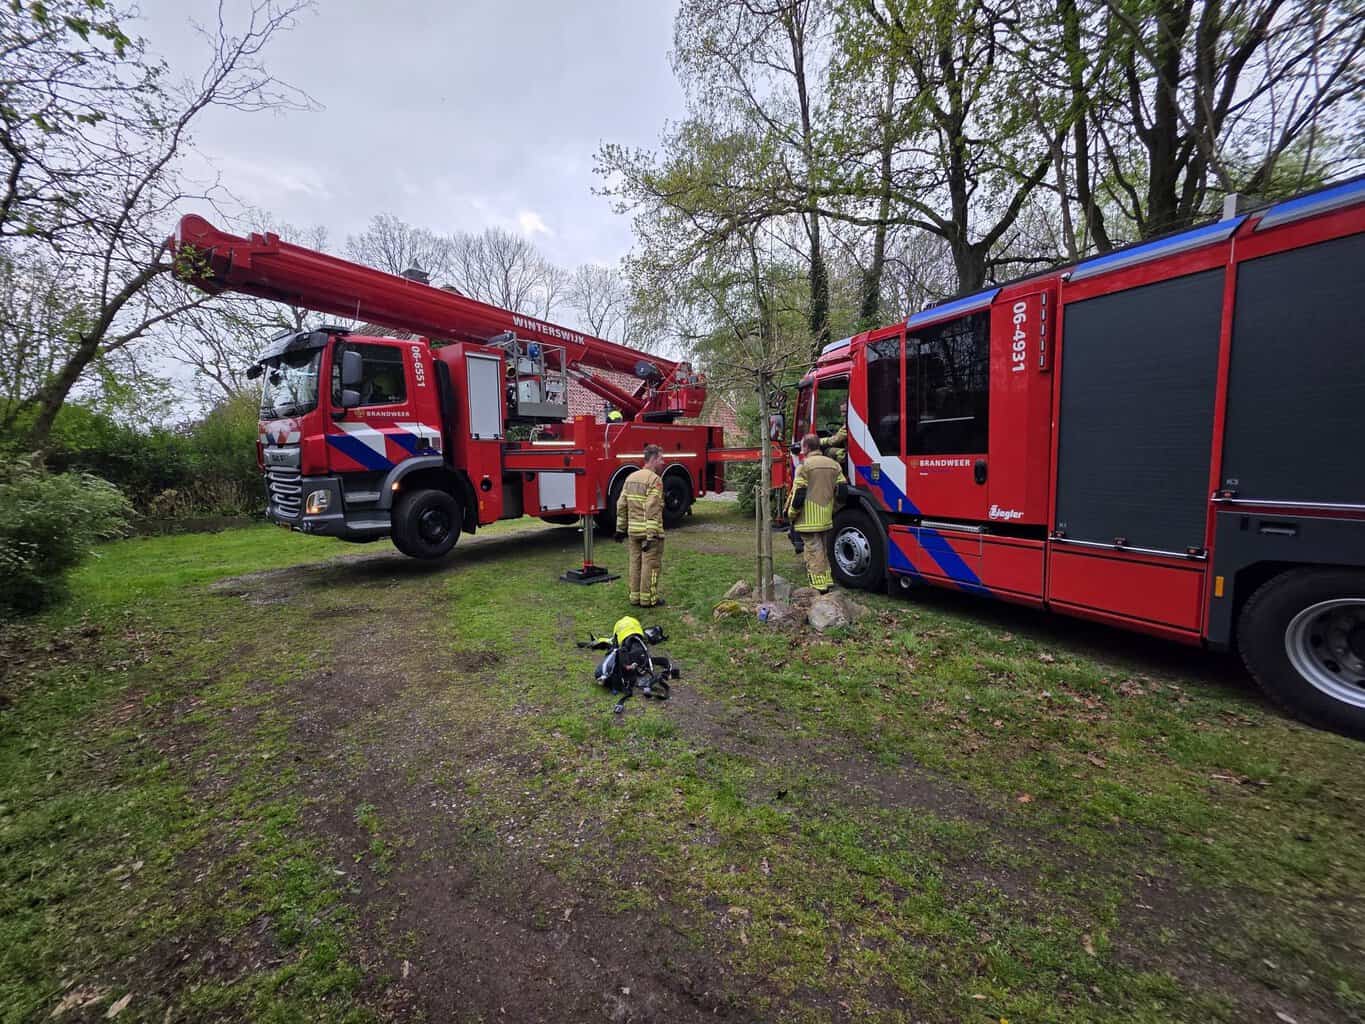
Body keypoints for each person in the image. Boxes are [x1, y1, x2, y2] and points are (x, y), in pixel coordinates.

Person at [787, 433, 847, 594]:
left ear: (806, 447)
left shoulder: (804, 466)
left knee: (813, 552)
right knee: (823, 550)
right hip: (826, 518)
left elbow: (799, 493)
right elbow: (842, 491)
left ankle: (819, 587)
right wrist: (833, 509)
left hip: (808, 520)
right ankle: (827, 580)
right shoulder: (834, 465)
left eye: (802, 445)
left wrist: (792, 513)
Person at [615, 444, 667, 607]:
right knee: (650, 565)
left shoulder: (630, 478)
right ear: (653, 459)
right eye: (661, 458)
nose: (663, 462)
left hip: (633, 531)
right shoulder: (654, 480)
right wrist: (651, 535)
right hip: (648, 531)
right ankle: (647, 599)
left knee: (635, 563)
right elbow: (652, 507)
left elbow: (621, 504)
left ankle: (634, 597)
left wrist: (620, 529)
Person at [819, 396, 848, 464]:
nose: (842, 415)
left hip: (851, 454)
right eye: (841, 412)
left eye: (844, 412)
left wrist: (819, 441)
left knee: (828, 451)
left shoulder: (849, 425)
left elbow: (834, 441)